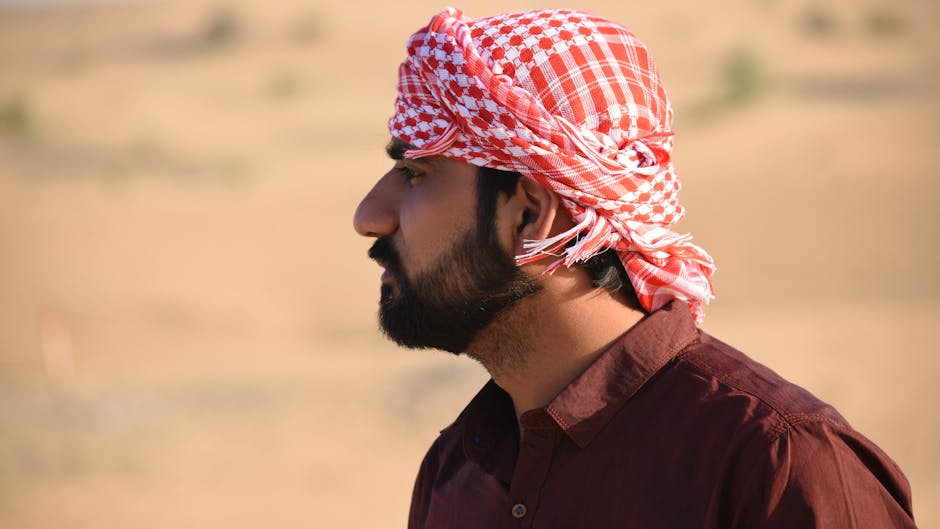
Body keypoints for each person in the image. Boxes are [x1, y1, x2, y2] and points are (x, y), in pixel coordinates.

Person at [353, 7, 916, 529]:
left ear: (529, 214)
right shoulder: (458, 470)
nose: (369, 217)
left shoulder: (777, 465)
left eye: (416, 175)